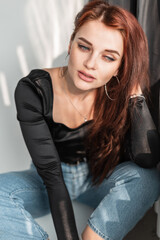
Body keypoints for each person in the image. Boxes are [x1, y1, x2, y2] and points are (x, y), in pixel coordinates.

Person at [0, 0, 160, 239]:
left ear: (119, 67)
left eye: (108, 57)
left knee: (148, 179)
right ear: (70, 43)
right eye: (84, 47)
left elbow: (147, 160)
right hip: (47, 180)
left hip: (99, 178)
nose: (90, 64)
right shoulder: (34, 90)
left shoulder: (118, 92)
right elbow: (53, 179)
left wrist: (135, 97)